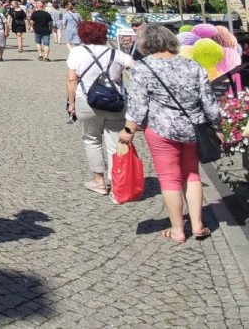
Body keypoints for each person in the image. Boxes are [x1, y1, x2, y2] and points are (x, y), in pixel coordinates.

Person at [123, 23, 222, 243]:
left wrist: (128, 129)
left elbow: (138, 105)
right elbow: (209, 102)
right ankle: (197, 224)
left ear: (146, 44)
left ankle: (178, 229)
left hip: (161, 129)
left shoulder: (142, 68)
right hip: (193, 128)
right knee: (192, 174)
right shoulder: (192, 65)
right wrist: (217, 126)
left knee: (169, 178)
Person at [66, 20, 133, 195]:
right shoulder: (116, 53)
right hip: (115, 102)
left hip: (87, 100)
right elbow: (135, 68)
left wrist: (71, 104)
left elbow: (72, 80)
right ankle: (117, 184)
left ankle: (99, 181)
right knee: (115, 142)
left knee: (91, 140)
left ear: (82, 36)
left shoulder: (77, 52)